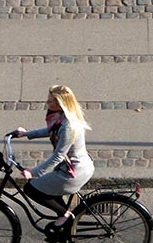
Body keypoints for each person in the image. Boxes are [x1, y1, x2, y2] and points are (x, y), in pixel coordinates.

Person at [13, 85, 94, 232]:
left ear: (60, 104)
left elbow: (58, 156)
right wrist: (27, 134)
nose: (46, 102)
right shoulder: (64, 117)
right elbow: (52, 131)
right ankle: (65, 219)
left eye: (50, 101)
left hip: (73, 172)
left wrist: (34, 172)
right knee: (46, 187)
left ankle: (65, 215)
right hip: (75, 166)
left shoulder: (69, 125)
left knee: (31, 189)